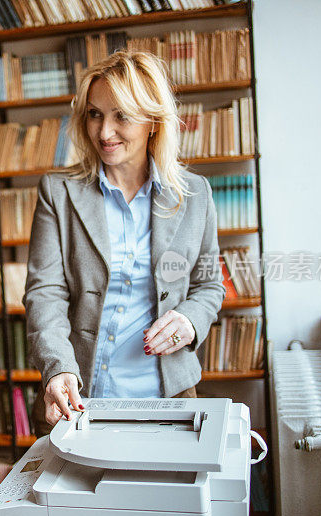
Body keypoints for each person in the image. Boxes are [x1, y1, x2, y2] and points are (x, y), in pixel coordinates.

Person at [24, 51, 225, 433]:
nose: (104, 132)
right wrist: (57, 366)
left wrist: (189, 320)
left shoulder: (196, 195)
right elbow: (45, 292)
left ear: (153, 121)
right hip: (77, 397)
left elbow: (209, 285)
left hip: (170, 399)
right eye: (95, 113)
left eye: (122, 116)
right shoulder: (58, 192)